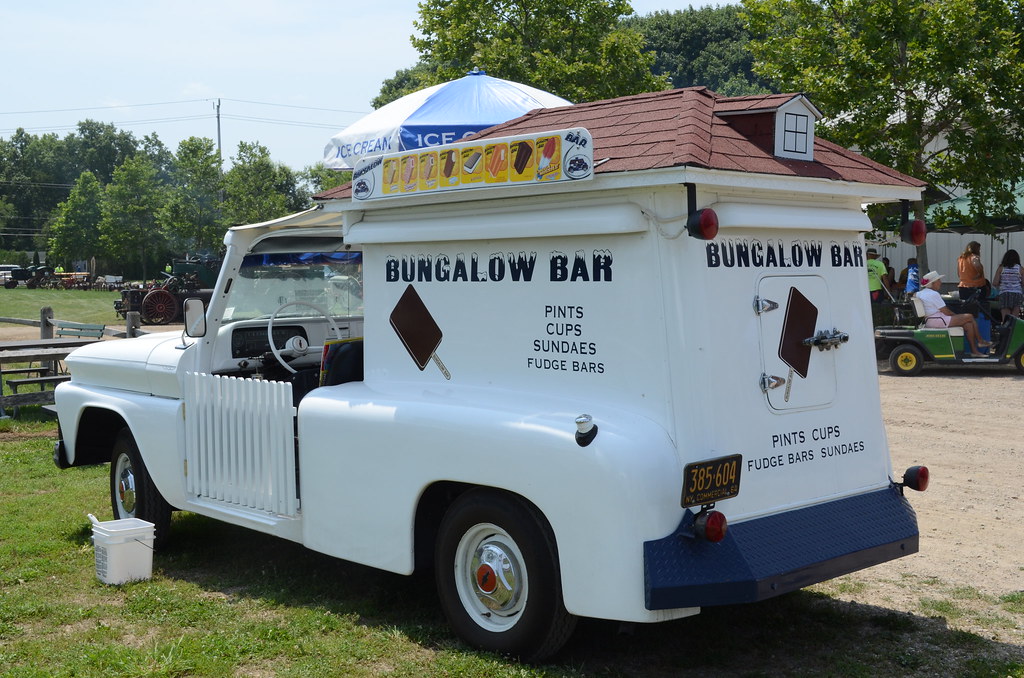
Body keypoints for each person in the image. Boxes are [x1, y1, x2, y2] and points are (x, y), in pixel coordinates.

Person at [917, 270, 990, 356]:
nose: (940, 283)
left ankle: (975, 351)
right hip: (938, 320)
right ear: (932, 283)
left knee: (968, 325)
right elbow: (946, 311)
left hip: (931, 320)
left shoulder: (920, 293)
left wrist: (960, 318)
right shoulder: (933, 294)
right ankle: (980, 341)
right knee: (969, 316)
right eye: (938, 281)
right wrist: (958, 317)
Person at [992, 249, 1022, 322]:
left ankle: (1005, 329)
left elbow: (995, 283)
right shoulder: (1020, 269)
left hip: (1004, 294)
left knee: (1005, 319)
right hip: (1017, 294)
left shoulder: (1001, 268)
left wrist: (1002, 282)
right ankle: (1014, 329)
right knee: (1015, 319)